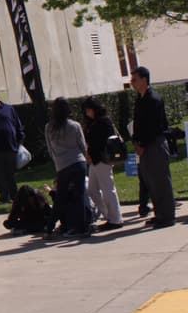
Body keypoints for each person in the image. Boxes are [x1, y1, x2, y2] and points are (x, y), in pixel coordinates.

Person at [130, 66, 175, 228]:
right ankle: (159, 213)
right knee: (151, 182)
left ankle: (167, 216)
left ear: (144, 79)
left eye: (134, 79)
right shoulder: (139, 100)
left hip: (154, 144)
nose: (132, 83)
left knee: (161, 180)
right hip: (143, 146)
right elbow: (138, 124)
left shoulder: (153, 99)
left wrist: (143, 144)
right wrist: (135, 142)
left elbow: (153, 126)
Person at [44, 97, 90, 238]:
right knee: (79, 196)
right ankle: (82, 227)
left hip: (62, 165)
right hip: (78, 162)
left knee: (60, 198)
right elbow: (82, 146)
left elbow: (50, 149)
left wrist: (58, 162)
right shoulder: (74, 125)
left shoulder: (49, 128)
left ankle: (50, 228)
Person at [82, 98, 124, 230]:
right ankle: (109, 215)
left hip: (103, 159)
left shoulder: (103, 121)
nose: (87, 112)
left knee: (108, 189)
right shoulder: (93, 123)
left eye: (89, 109)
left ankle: (115, 218)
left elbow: (103, 141)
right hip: (94, 160)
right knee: (93, 190)